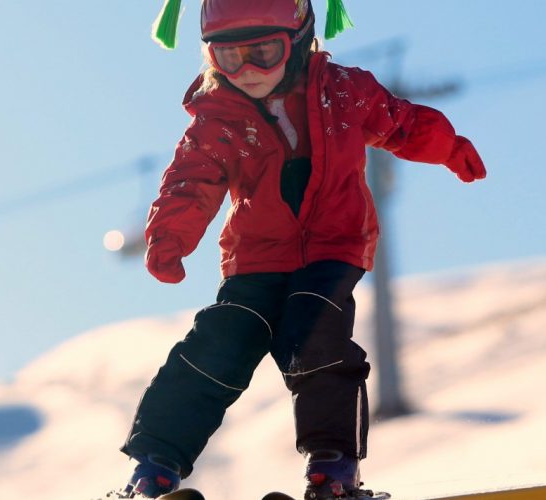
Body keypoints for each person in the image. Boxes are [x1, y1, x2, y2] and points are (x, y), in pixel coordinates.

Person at [111, 1, 487, 498]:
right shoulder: (216, 117)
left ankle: (333, 467)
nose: (247, 71)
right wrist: (169, 238)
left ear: (301, 38)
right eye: (228, 57)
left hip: (333, 249)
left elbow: (400, 122)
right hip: (255, 258)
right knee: (217, 343)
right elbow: (189, 181)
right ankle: (154, 467)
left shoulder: (344, 92)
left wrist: (448, 146)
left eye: (262, 53)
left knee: (316, 338)